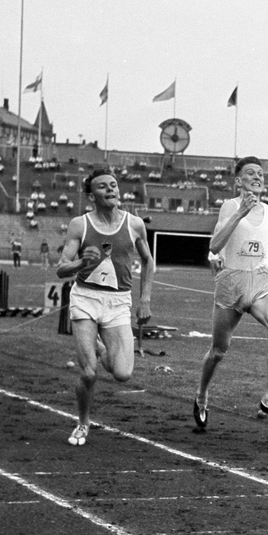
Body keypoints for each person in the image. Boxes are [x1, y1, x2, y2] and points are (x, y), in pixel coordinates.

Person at [57, 168, 154, 446]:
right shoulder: (80, 225)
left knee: (123, 374)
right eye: (102, 187)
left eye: (113, 185)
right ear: (91, 195)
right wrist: (81, 263)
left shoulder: (135, 224)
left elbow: (149, 262)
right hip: (86, 298)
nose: (111, 190)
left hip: (118, 301)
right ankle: (83, 423)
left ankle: (101, 348)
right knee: (89, 372)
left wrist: (145, 299)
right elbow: (62, 269)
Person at [193, 156, 268, 430]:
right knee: (218, 351)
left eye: (260, 173)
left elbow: (263, 238)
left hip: (261, 281)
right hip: (232, 281)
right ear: (238, 180)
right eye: (250, 173)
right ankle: (202, 395)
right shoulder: (229, 206)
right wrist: (240, 213)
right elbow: (214, 246)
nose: (257, 177)